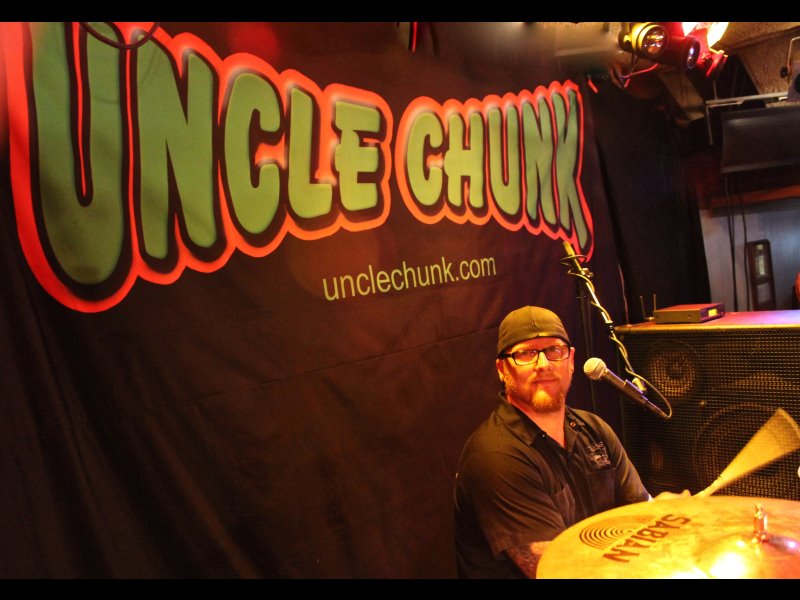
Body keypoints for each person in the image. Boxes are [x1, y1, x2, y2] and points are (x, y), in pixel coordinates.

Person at [453, 305, 653, 579]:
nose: (544, 364)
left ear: (571, 361)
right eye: (526, 354)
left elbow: (643, 515)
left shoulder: (594, 430)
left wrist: (669, 517)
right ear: (502, 369)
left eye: (554, 350)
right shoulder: (495, 456)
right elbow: (557, 570)